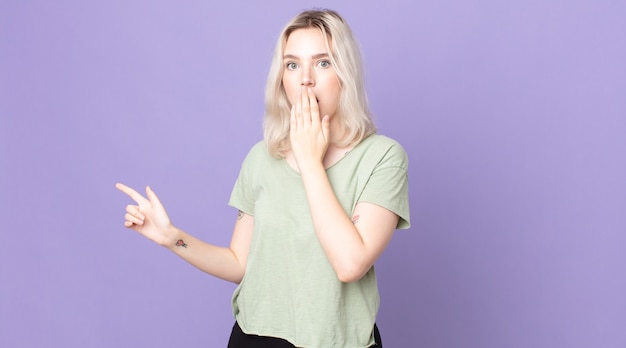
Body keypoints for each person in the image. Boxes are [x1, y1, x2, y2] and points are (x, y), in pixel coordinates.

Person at [116, 9, 410, 348]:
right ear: (281, 78)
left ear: (346, 73)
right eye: (292, 64)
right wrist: (173, 238)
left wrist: (310, 161)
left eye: (324, 62)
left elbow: (349, 264)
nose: (306, 79)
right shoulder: (262, 157)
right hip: (253, 338)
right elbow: (241, 263)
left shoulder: (383, 157)